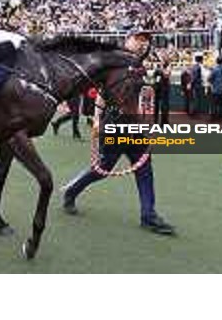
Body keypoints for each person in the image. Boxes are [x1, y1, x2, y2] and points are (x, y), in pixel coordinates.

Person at [60, 34, 175, 235]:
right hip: (115, 124)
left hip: (134, 126)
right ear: (127, 41)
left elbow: (148, 88)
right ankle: (71, 191)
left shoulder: (139, 67)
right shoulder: (110, 64)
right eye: (138, 39)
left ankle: (148, 215)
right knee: (103, 167)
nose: (142, 43)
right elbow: (102, 96)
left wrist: (163, 63)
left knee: (144, 167)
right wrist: (96, 120)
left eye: (145, 41)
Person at [152, 59, 171, 125]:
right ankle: (157, 121)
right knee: (158, 106)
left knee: (164, 107)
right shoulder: (158, 70)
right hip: (159, 90)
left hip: (163, 90)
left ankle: (163, 121)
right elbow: (154, 78)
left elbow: (166, 76)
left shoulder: (162, 70)